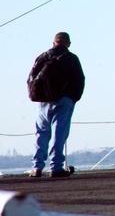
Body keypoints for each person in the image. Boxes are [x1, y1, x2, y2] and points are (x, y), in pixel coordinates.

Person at [28, 32, 85, 178]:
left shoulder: (42, 57)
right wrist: (72, 98)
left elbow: (31, 78)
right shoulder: (71, 58)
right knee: (59, 133)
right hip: (63, 100)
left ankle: (36, 167)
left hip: (42, 102)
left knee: (41, 133)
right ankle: (56, 167)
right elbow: (79, 80)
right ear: (68, 44)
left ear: (53, 43)